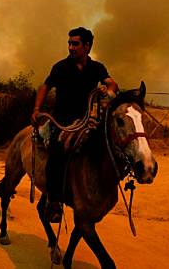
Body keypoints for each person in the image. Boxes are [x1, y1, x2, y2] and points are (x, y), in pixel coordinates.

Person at [31, 27, 119, 223]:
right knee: (56, 151)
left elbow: (113, 84)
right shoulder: (60, 67)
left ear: (87, 46)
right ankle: (54, 201)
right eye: (69, 43)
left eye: (75, 43)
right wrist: (37, 109)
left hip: (85, 121)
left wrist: (108, 92)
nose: (70, 47)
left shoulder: (96, 68)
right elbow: (45, 86)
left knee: (102, 147)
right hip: (60, 122)